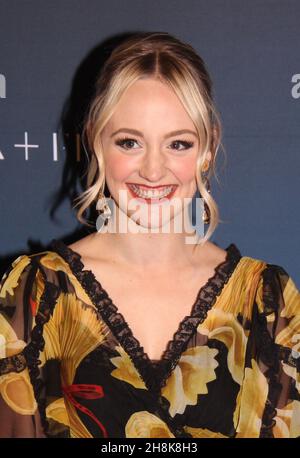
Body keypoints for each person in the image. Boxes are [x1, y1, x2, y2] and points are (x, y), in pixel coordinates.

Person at [0, 31, 299, 439]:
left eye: (178, 143)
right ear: (95, 141)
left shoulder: (268, 300)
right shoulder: (36, 292)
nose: (154, 170)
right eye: (130, 142)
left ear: (208, 147)